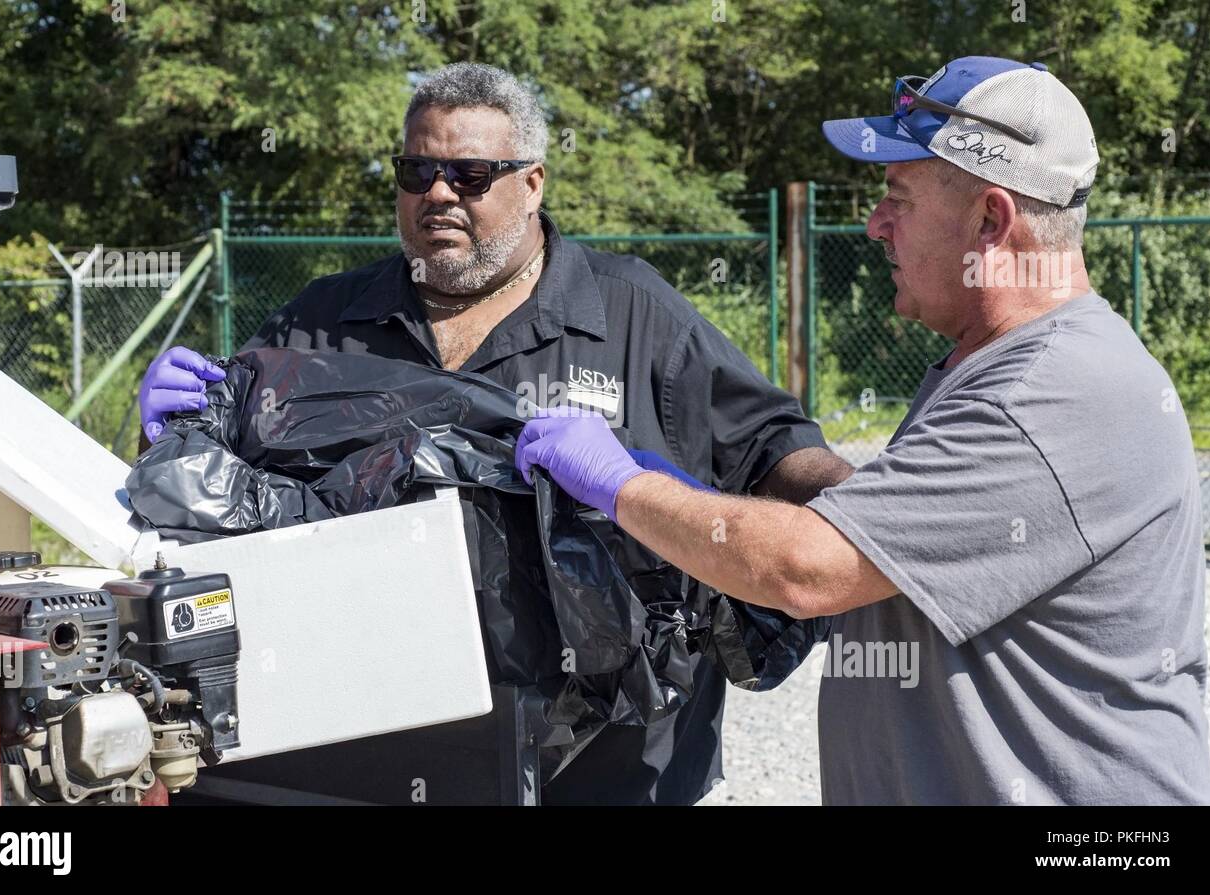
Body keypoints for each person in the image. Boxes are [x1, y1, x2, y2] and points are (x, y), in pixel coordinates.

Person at [137, 62, 851, 805]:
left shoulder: (635, 317)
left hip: (609, 775)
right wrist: (170, 428)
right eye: (417, 170)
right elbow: (215, 501)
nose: (438, 193)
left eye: (471, 173)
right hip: (381, 764)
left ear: (533, 182)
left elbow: (774, 452)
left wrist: (872, 511)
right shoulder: (322, 326)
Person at [515, 57, 1210, 805]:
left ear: (991, 218)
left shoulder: (1050, 388)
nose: (874, 223)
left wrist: (624, 482)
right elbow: (895, 547)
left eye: (897, 196)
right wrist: (701, 509)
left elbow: (806, 571)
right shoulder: (988, 363)